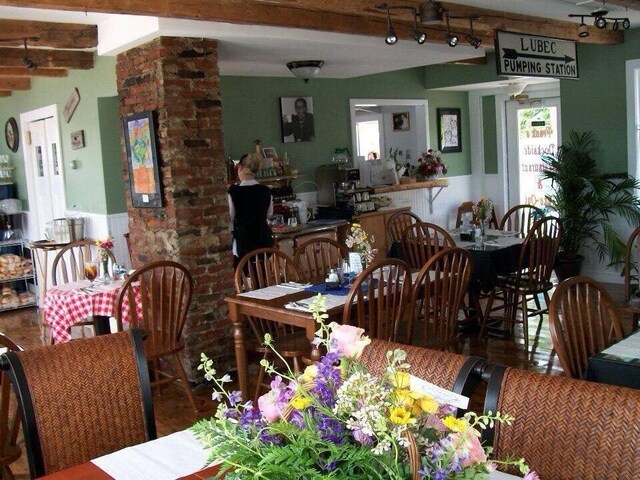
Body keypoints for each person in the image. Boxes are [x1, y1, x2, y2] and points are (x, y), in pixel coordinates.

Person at [228, 153, 273, 267]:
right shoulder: (265, 190)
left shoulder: (234, 192)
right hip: (263, 240)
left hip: (243, 242)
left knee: (240, 276)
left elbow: (231, 216)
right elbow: (269, 213)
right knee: (261, 276)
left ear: (240, 168)